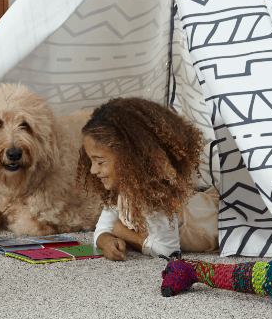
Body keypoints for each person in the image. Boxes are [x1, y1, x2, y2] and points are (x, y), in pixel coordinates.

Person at [77, 97, 215, 261]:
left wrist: (124, 233)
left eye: (100, 161)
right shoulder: (121, 190)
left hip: (213, 219)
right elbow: (103, 228)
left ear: (130, 158)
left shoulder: (156, 197)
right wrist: (107, 240)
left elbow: (167, 251)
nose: (93, 170)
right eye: (91, 161)